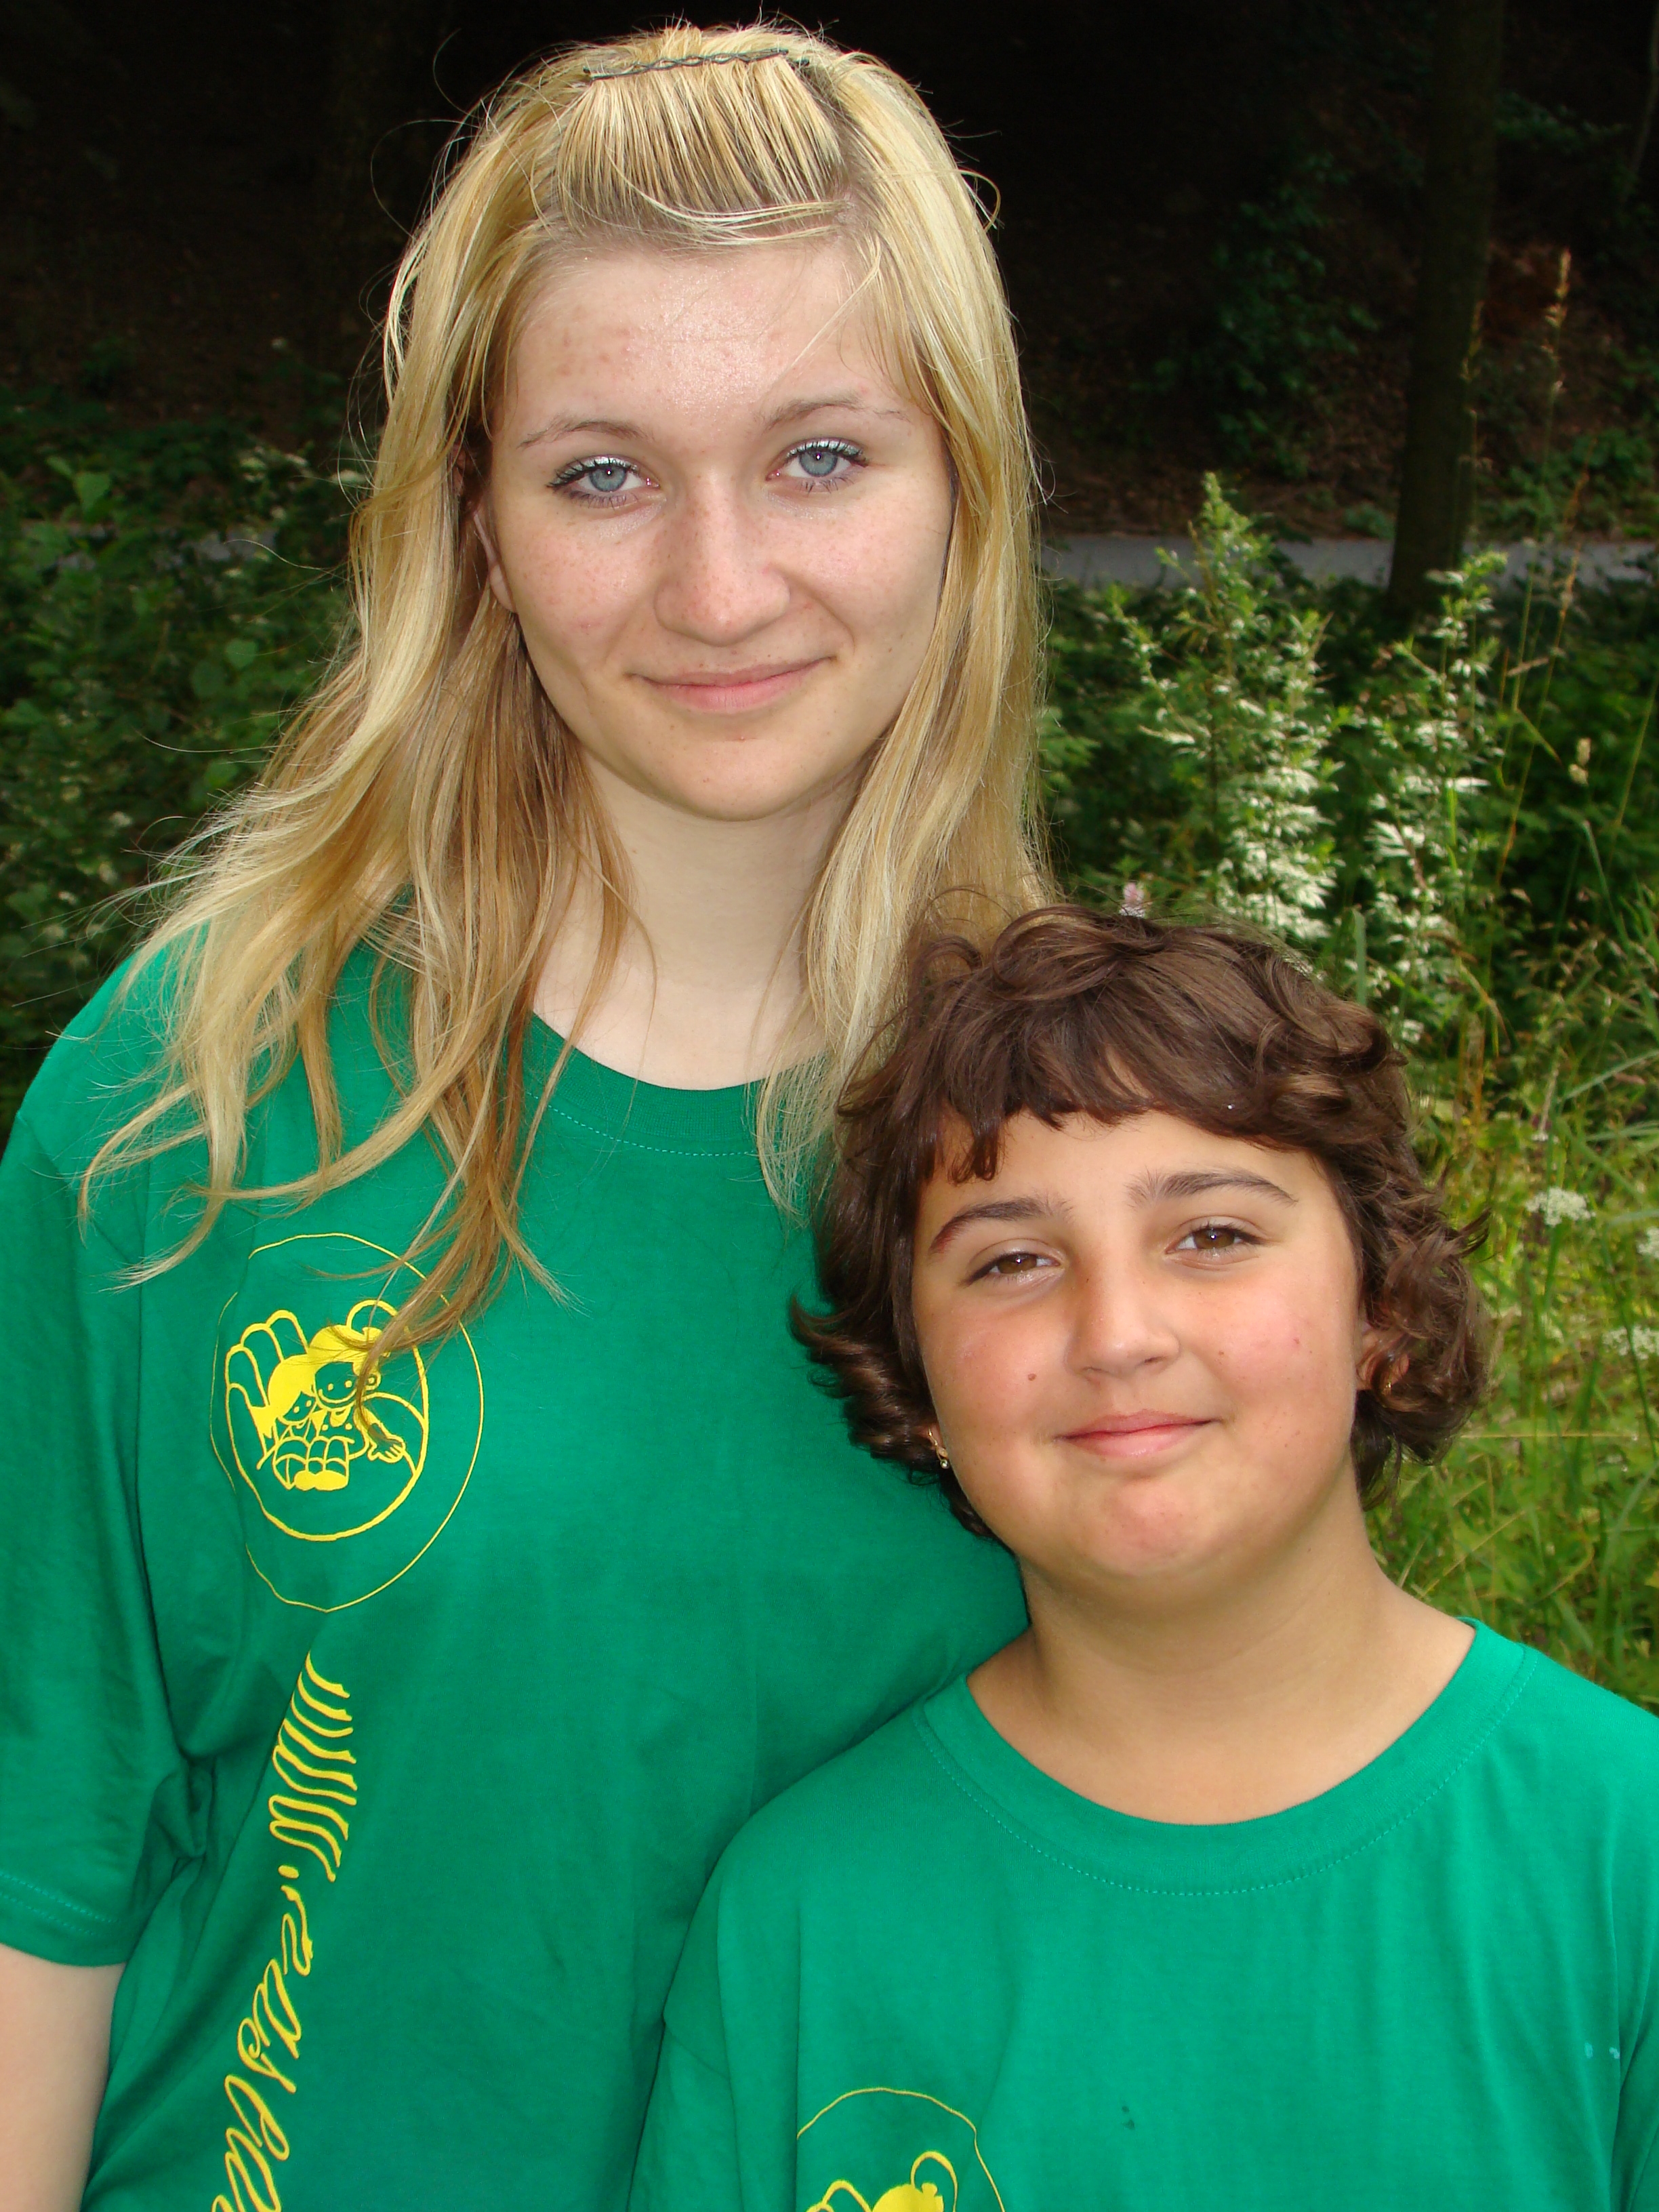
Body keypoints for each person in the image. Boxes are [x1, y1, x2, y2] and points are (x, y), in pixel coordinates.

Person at [0, 26, 1050, 2210]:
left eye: (821, 457)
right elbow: (39, 1866)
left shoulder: (1104, 1153)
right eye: (602, 476)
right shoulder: (202, 1103)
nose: (720, 588)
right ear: (471, 524)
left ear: (966, 485)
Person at [630, 907, 1659, 2212]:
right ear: (917, 1386)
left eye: (1212, 1236)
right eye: (1012, 1259)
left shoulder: (1623, 1851)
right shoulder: (800, 1917)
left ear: (1384, 1307)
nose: (1117, 1334)